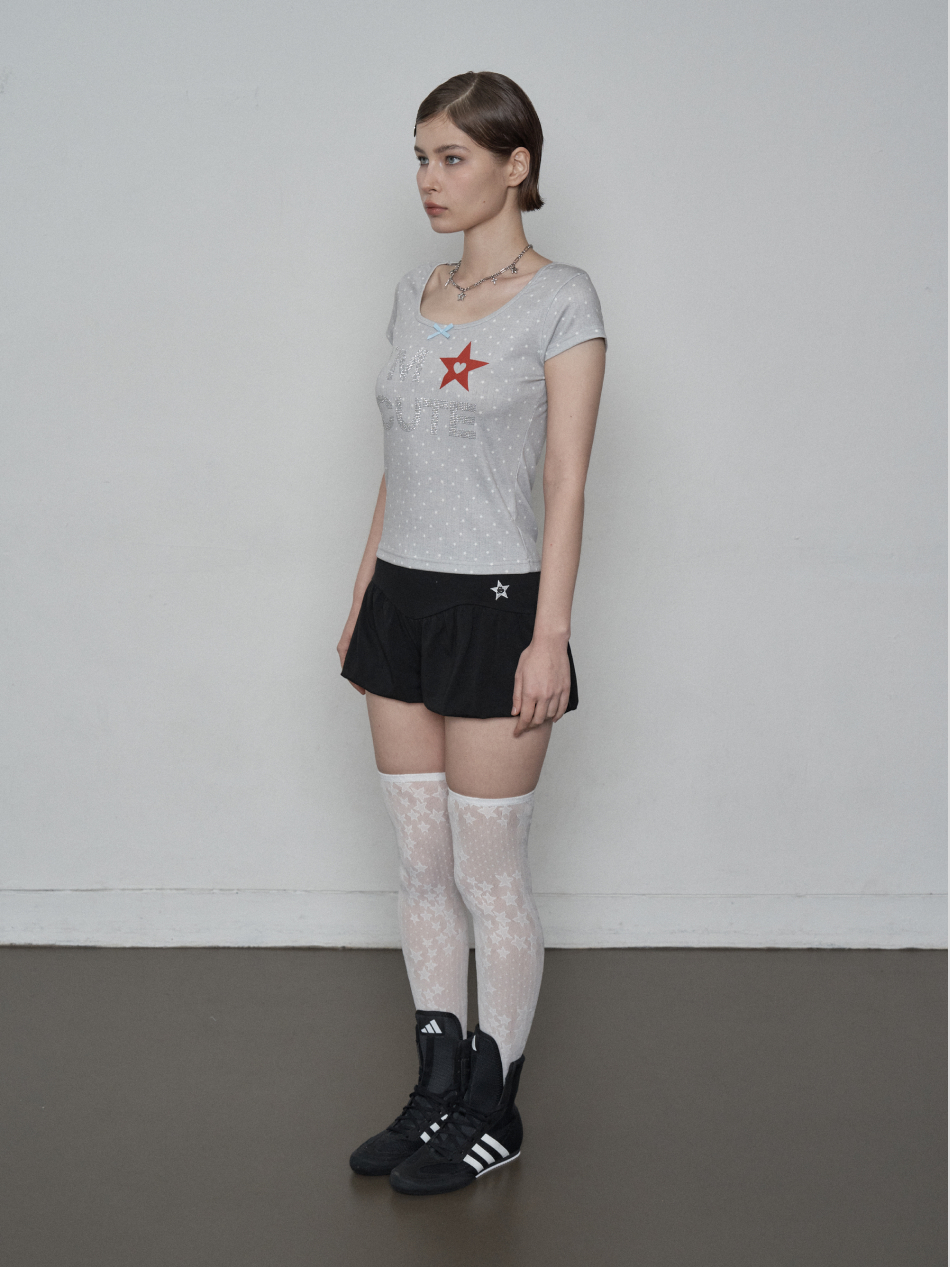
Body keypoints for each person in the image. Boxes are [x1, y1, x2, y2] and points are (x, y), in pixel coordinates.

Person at [338, 70, 606, 1196]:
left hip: (497, 610)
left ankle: (494, 1106)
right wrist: (362, 592)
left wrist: (549, 635)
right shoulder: (412, 293)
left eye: (451, 157)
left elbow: (565, 480)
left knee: (490, 872)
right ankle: (436, 1089)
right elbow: (399, 459)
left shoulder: (562, 299)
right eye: (420, 157)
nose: (428, 179)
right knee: (419, 863)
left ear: (515, 165)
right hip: (400, 604)